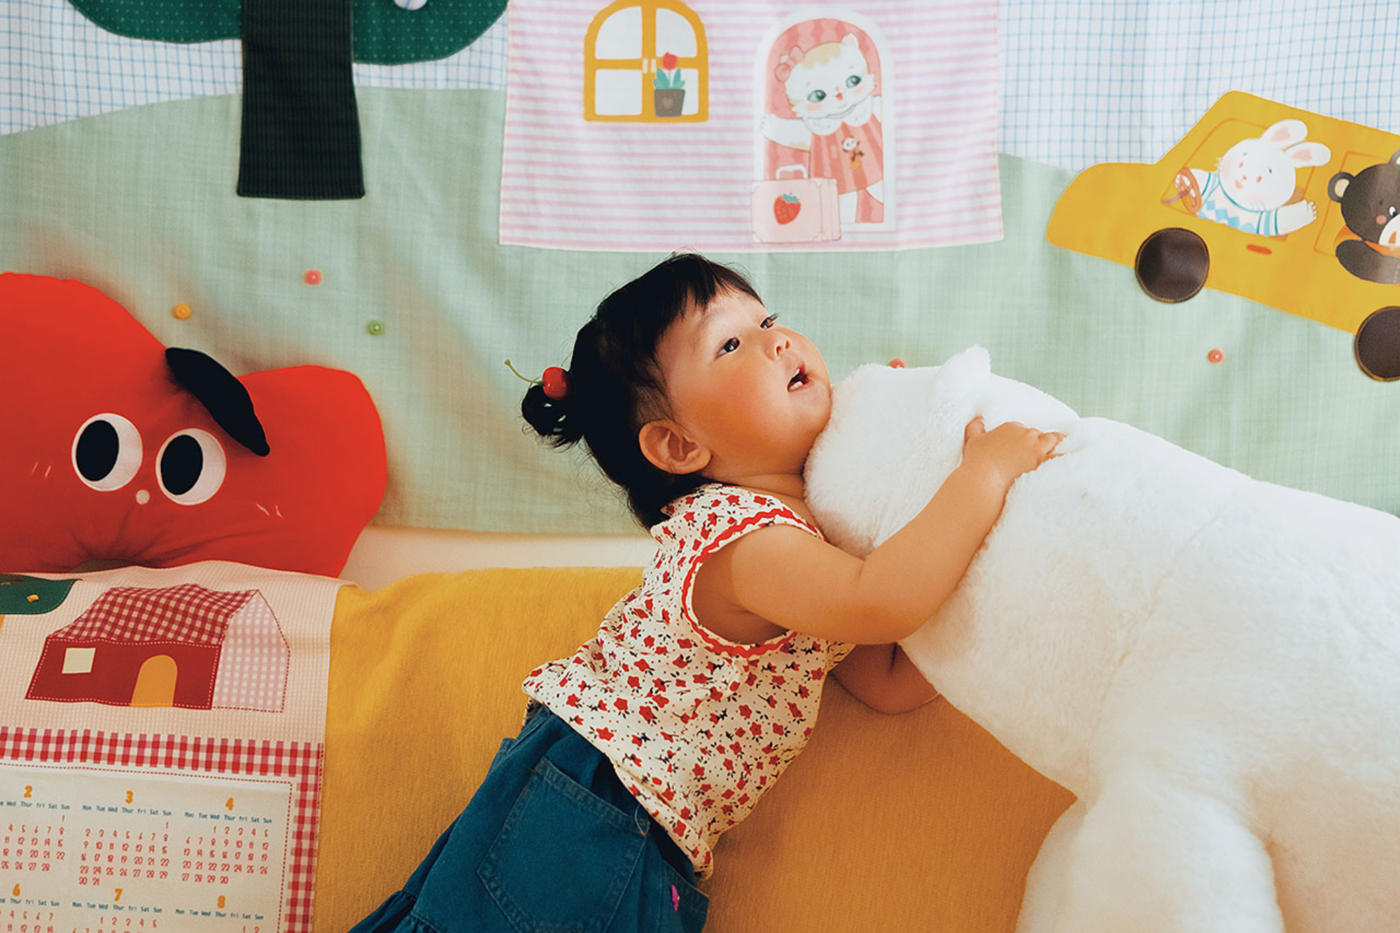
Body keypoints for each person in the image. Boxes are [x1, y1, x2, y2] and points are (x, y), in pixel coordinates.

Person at [350, 253, 1063, 933]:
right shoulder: (740, 538)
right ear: (679, 447)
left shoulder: (806, 553)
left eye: (767, 320)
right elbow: (882, 601)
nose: (777, 339)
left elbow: (887, 681)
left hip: (627, 821)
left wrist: (923, 485)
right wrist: (982, 477)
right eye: (730, 344)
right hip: (600, 799)